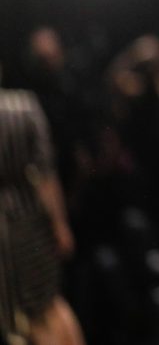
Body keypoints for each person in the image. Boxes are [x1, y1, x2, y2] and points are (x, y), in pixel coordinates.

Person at [0, 75, 85, 345]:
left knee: (24, 318)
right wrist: (60, 224)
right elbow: (46, 174)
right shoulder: (23, 105)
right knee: (48, 305)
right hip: (28, 218)